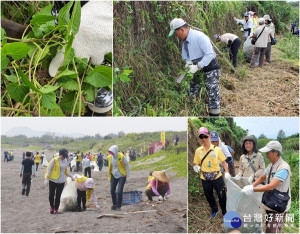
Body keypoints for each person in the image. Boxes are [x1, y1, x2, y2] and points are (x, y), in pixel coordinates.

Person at [168, 18, 221, 116]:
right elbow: (187, 56)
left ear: (182, 30)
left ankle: (214, 115)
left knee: (212, 92)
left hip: (210, 67)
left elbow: (209, 54)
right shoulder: (185, 41)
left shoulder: (199, 37)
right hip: (196, 67)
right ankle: (191, 108)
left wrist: (197, 67)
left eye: (176, 33)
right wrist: (188, 63)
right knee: (192, 88)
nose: (176, 36)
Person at [241, 141, 291, 233]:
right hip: (271, 202)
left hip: (279, 204)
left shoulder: (283, 168)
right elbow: (262, 177)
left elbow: (271, 186)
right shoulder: (270, 165)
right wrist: (252, 185)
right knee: (268, 225)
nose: (266, 155)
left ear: (275, 152)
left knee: (272, 230)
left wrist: (252, 189)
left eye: (268, 152)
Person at [193, 127, 230, 218]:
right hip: (205, 177)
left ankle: (224, 211)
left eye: (205, 136)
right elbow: (196, 163)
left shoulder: (217, 149)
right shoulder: (198, 151)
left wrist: (227, 172)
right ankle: (215, 210)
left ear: (209, 136)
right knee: (208, 195)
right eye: (201, 137)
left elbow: (224, 162)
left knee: (222, 195)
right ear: (199, 138)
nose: (204, 139)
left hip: (217, 177)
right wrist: (196, 167)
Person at [45, 148, 73, 214]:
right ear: (60, 154)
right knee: (51, 194)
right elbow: (49, 169)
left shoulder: (65, 161)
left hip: (61, 181)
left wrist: (71, 176)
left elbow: (65, 172)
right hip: (53, 180)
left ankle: (56, 209)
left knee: (58, 195)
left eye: (65, 156)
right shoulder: (54, 160)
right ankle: (52, 206)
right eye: (63, 155)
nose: (64, 157)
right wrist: (46, 178)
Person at [107, 145, 130, 211]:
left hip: (122, 175)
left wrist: (127, 175)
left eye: (112, 151)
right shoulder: (110, 157)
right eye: (110, 151)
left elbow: (127, 165)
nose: (111, 153)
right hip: (114, 175)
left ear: (115, 151)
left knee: (119, 191)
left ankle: (119, 206)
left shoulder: (121, 156)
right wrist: (109, 175)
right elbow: (110, 166)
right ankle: (115, 204)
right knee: (112, 190)